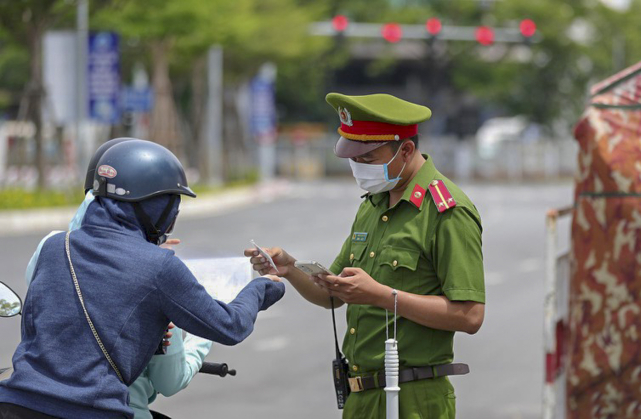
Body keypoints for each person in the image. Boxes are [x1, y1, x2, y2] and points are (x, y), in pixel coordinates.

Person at [0, 139, 285, 418]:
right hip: (93, 410)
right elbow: (230, 326)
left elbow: (33, 327)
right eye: (171, 206)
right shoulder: (159, 267)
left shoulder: (54, 246)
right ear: (154, 207)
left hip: (15, 404)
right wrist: (262, 288)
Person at [246, 93, 485, 418]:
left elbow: (470, 316)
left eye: (368, 158)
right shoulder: (373, 205)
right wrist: (289, 267)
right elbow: (334, 294)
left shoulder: (446, 210)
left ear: (406, 150)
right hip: (361, 396)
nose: (358, 168)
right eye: (353, 159)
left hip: (415, 398)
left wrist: (381, 296)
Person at [23, 138, 214, 419]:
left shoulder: (51, 249)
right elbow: (169, 381)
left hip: (33, 403)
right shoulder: (156, 274)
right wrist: (200, 338)